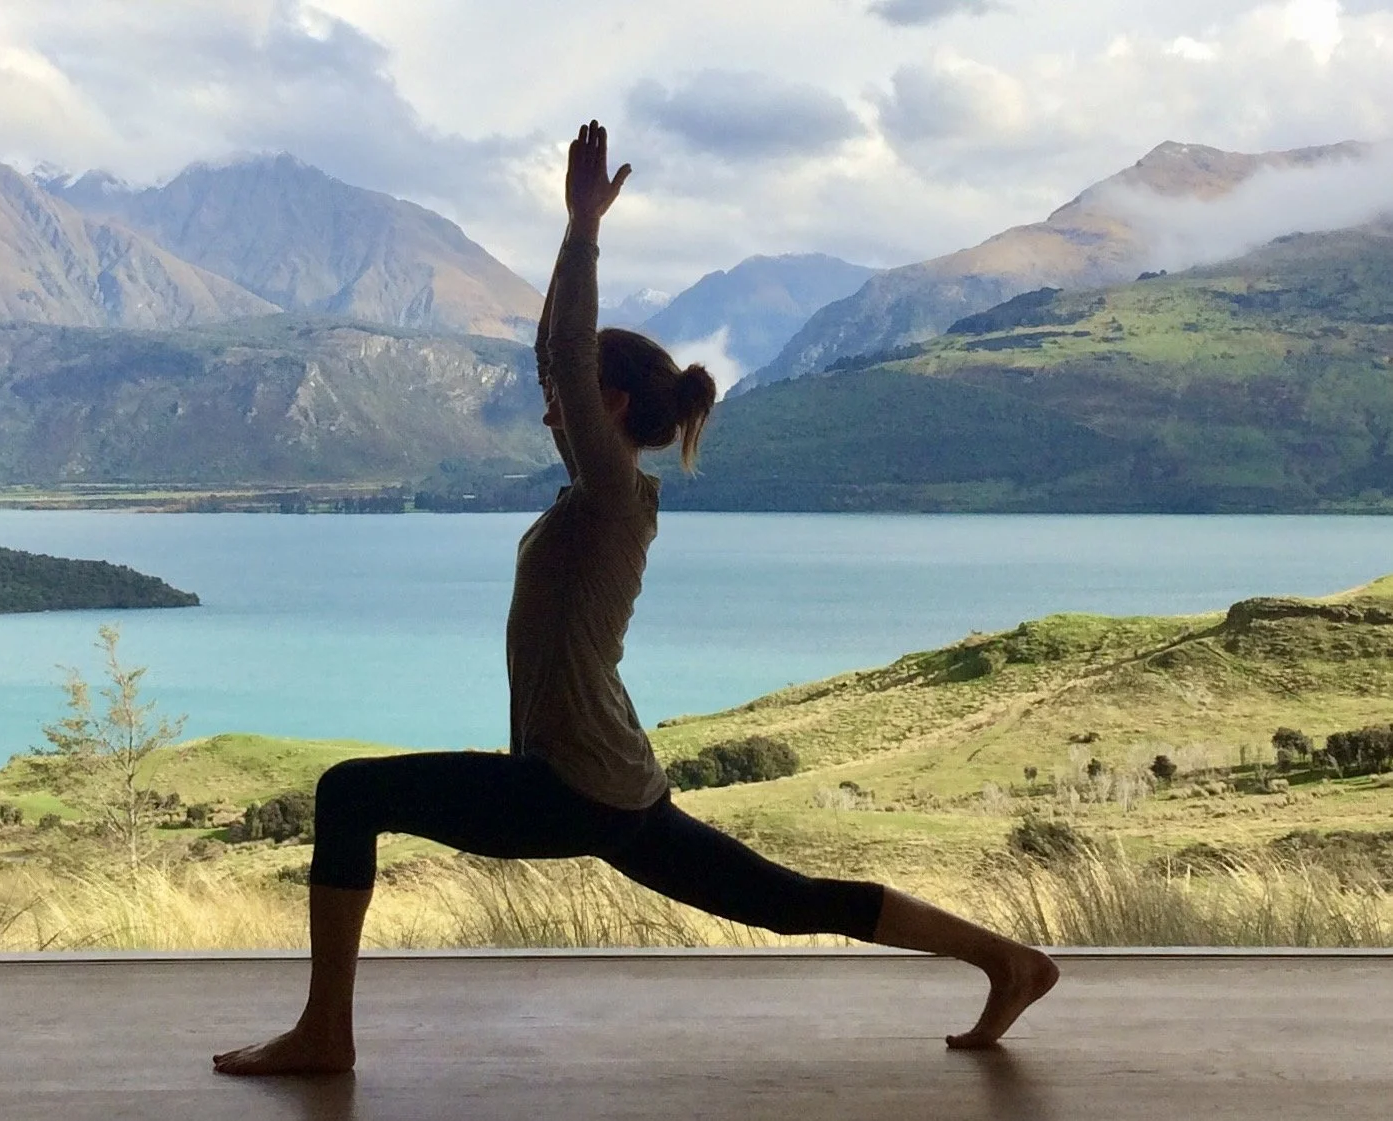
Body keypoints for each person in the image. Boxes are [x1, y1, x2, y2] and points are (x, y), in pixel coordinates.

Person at [213, 121, 1057, 1077]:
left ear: (609, 405)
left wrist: (582, 229)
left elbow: (567, 352)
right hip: (607, 781)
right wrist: (567, 245)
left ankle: (327, 1034)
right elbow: (557, 354)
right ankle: (1010, 960)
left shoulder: (614, 497)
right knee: (792, 899)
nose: (546, 407)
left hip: (574, 784)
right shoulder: (598, 494)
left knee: (348, 794)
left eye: (567, 396)